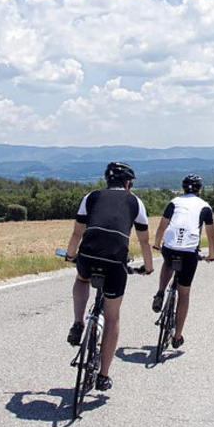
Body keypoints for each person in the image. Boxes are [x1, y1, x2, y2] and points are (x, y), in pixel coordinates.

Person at [64, 161, 154, 392]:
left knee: (82, 279)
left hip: (88, 254)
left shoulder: (91, 196)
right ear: (128, 183)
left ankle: (78, 322)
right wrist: (148, 267)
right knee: (112, 318)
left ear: (107, 180)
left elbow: (77, 233)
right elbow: (144, 241)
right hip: (115, 261)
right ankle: (103, 375)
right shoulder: (135, 202)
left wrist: (70, 255)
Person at [150, 174, 214, 348]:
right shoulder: (205, 206)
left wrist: (157, 244)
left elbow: (162, 225)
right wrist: (211, 254)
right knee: (184, 294)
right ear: (199, 189)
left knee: (168, 262)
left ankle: (160, 292)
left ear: (183, 188)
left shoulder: (174, 202)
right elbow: (211, 235)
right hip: (189, 252)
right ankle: (177, 336)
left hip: (170, 247)